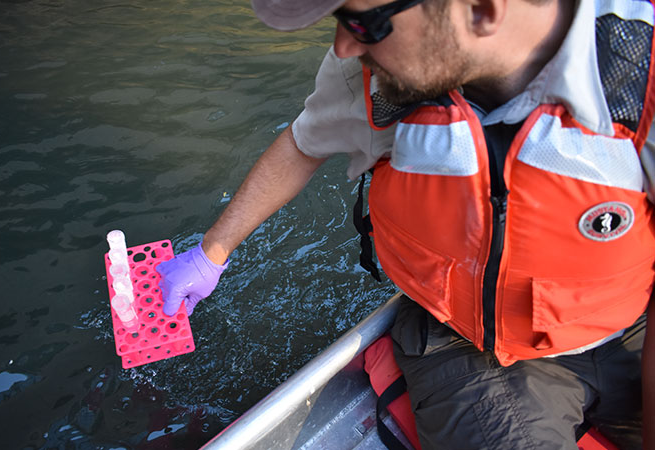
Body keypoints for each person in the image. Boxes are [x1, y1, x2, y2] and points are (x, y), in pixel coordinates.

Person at [154, 0, 655, 448]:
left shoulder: (641, 69)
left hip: (628, 324)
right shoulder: (373, 76)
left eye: (363, 23)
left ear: (482, 9)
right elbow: (303, 145)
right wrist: (210, 253)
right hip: (469, 345)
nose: (344, 47)